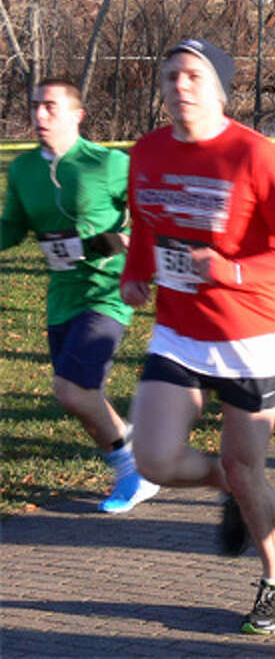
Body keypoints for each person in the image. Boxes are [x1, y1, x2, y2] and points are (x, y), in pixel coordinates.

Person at [120, 38, 275, 634]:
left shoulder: (255, 155)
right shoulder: (147, 151)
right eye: (170, 76)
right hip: (178, 333)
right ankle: (234, 485)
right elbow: (148, 223)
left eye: (193, 75)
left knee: (247, 468)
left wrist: (233, 271)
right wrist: (136, 272)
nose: (180, 86)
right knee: (154, 460)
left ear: (220, 89)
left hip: (250, 339)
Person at [1, 78, 159, 514]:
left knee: (71, 391)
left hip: (108, 291)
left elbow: (149, 212)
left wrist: (131, 245)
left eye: (51, 106)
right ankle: (134, 467)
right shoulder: (24, 169)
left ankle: (134, 470)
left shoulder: (106, 163)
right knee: (82, 397)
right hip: (63, 295)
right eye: (35, 106)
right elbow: (12, 227)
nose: (39, 115)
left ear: (77, 115)